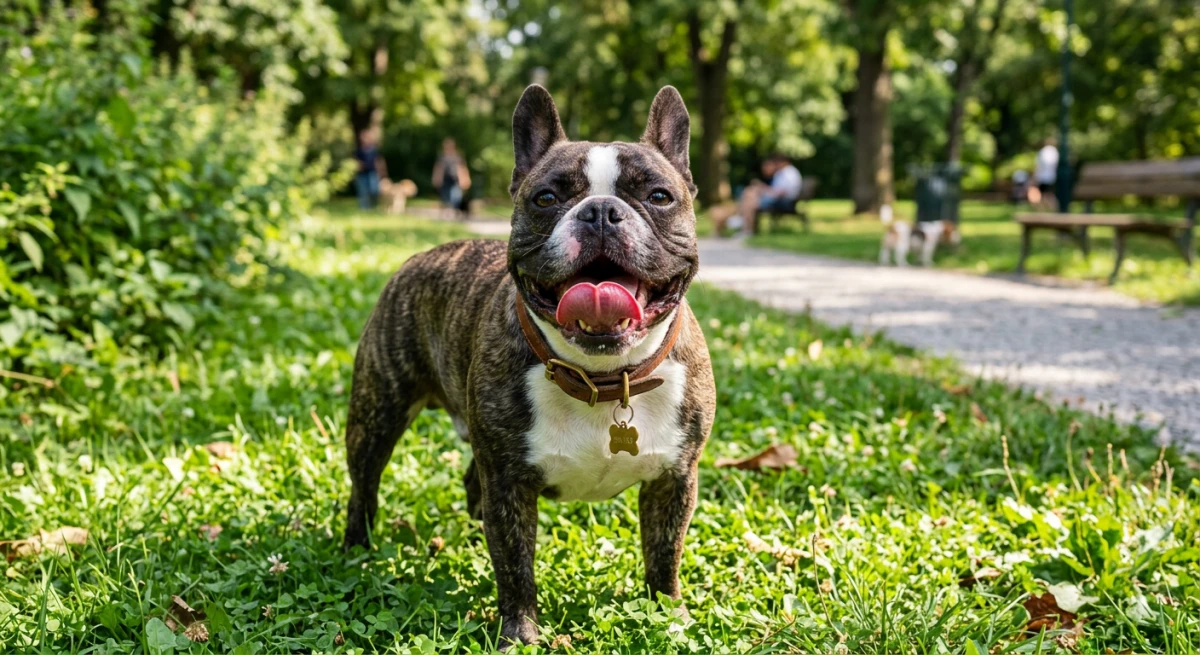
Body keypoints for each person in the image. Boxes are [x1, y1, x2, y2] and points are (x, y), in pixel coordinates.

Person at [720, 154, 803, 235]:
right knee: (749, 194)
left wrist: (763, 188)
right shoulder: (784, 172)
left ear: (784, 162)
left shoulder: (788, 173)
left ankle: (743, 224)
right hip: (780, 200)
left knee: (750, 199)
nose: (776, 165)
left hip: (784, 202)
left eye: (777, 162)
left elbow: (781, 193)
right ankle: (744, 224)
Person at [432, 137, 472, 219]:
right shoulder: (442, 157)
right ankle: (448, 212)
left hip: (455, 180)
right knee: (445, 196)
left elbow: (462, 168)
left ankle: (453, 211)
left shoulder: (457, 157)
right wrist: (436, 178)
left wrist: (465, 179)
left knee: (456, 196)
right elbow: (438, 168)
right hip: (445, 180)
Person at [354, 129, 385, 209]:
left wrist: (382, 172)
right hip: (362, 174)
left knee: (374, 190)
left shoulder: (374, 150)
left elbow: (379, 161)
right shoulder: (359, 150)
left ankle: (374, 206)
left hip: (372, 173)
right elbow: (355, 161)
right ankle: (364, 208)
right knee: (363, 192)